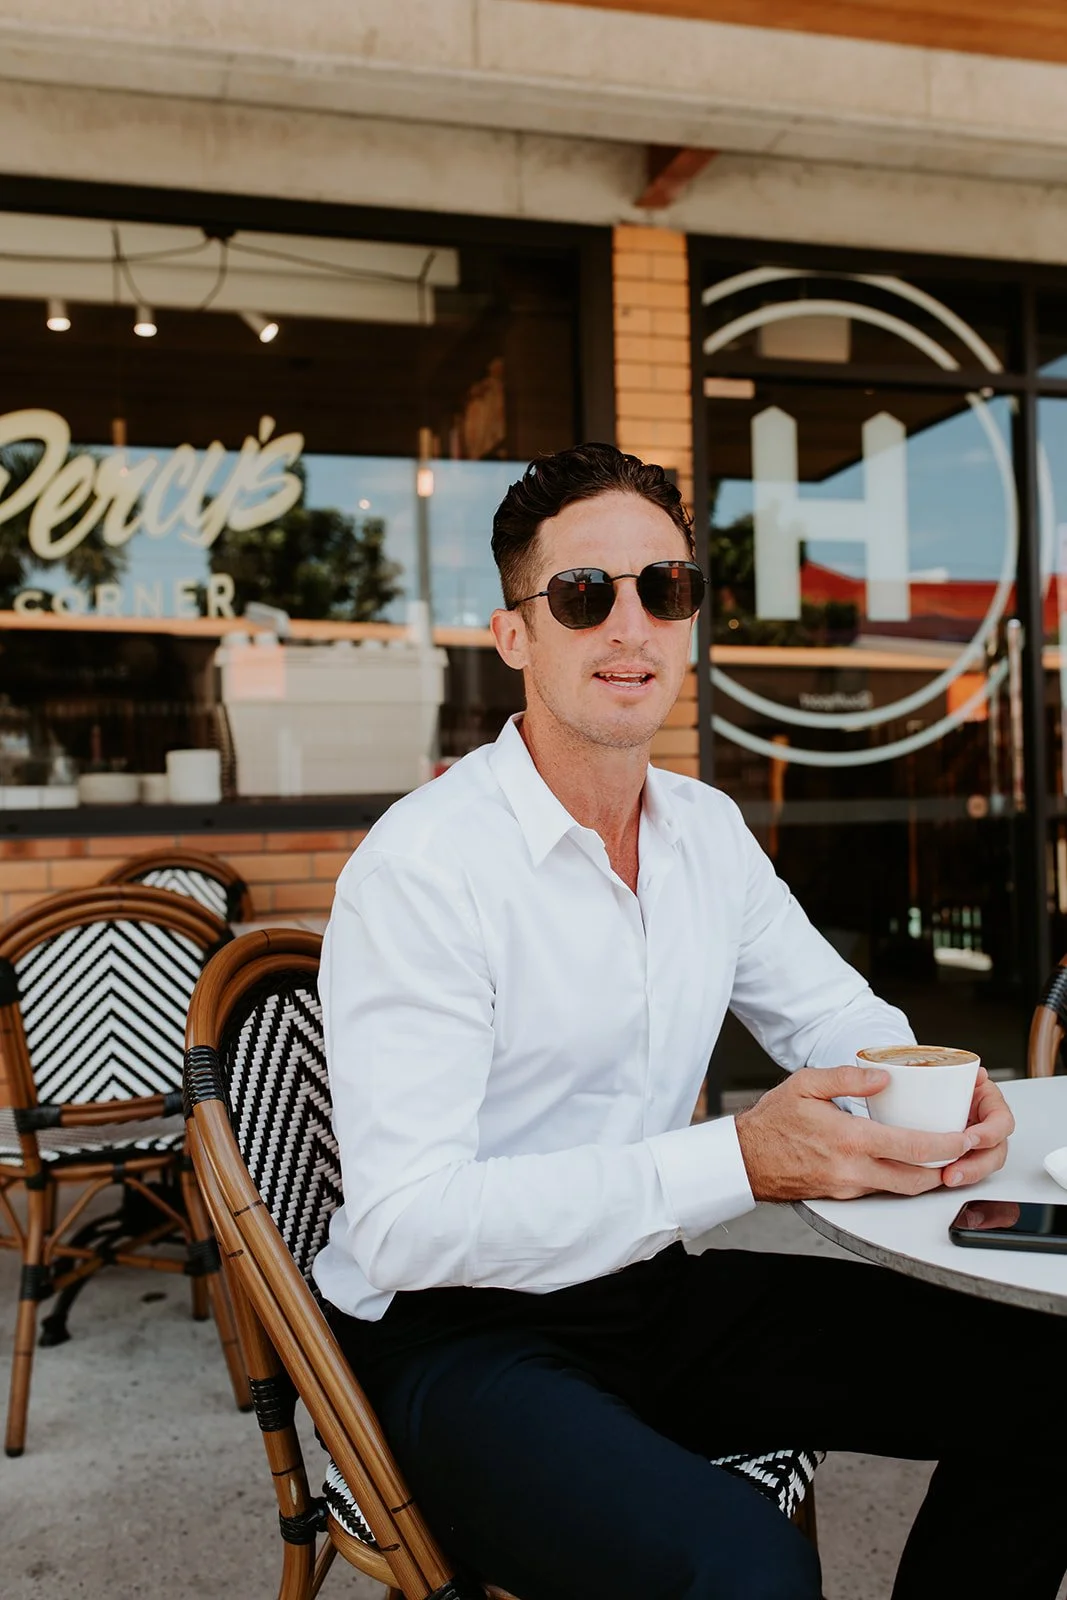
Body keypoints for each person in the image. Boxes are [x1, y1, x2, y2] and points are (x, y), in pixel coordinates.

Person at [315, 443, 1067, 1600]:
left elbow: (832, 1014)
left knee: (1051, 1378)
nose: (631, 625)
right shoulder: (423, 868)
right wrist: (741, 1158)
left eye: (663, 588)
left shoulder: (703, 831)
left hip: (648, 1292)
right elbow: (408, 1224)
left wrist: (928, 1089)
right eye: (583, 594)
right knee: (745, 1569)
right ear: (513, 634)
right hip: (459, 1338)